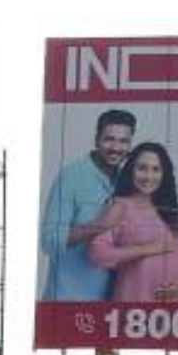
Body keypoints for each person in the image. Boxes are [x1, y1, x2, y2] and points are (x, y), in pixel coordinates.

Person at [40, 108, 139, 303]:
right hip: (68, 303)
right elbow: (49, 241)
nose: (116, 147)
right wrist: (99, 225)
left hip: (112, 305)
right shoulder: (70, 177)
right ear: (96, 139)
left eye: (123, 141)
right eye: (109, 139)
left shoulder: (128, 181)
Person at [88, 142, 178, 304]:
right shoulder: (120, 206)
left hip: (174, 305)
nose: (148, 176)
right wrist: (149, 248)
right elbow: (98, 253)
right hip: (134, 303)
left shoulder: (170, 208)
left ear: (164, 174)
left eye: (156, 170)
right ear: (131, 171)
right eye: (142, 168)